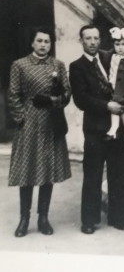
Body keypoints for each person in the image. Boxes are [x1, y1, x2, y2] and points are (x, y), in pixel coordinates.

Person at [8, 27, 72, 237]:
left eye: (47, 41)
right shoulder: (20, 65)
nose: (44, 45)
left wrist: (53, 101)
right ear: (32, 43)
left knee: (48, 169)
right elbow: (13, 95)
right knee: (27, 171)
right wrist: (22, 119)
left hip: (51, 123)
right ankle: (24, 218)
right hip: (29, 124)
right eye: (40, 41)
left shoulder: (58, 65)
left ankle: (43, 218)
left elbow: (66, 93)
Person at [70, 25, 124, 234]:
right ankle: (89, 220)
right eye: (88, 38)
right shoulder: (77, 66)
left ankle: (119, 216)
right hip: (96, 128)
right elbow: (81, 99)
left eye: (96, 38)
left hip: (118, 128)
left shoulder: (110, 58)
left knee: (121, 173)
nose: (93, 42)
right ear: (81, 41)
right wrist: (107, 106)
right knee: (93, 175)